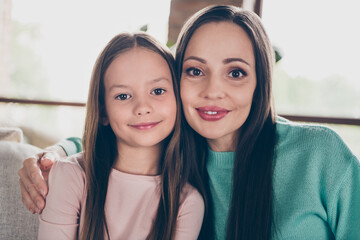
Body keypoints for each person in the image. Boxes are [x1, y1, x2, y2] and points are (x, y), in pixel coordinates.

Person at [19, 5, 360, 240]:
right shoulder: (176, 149)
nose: (213, 91)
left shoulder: (321, 154)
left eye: (236, 73)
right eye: (195, 71)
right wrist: (53, 153)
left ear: (261, 84)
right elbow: (115, 137)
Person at [32, 32, 205, 240]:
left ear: (177, 98)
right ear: (103, 111)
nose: (142, 107)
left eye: (158, 91)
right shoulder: (71, 176)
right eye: (123, 96)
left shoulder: (187, 202)